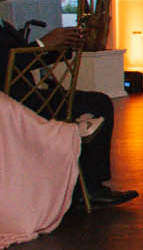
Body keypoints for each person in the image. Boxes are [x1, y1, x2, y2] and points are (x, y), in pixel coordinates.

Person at [0, 19, 130, 206]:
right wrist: (42, 44)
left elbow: (26, 61)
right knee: (96, 105)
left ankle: (85, 185)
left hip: (29, 97)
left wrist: (63, 47)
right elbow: (7, 65)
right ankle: (89, 188)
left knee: (98, 103)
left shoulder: (5, 25)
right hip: (12, 105)